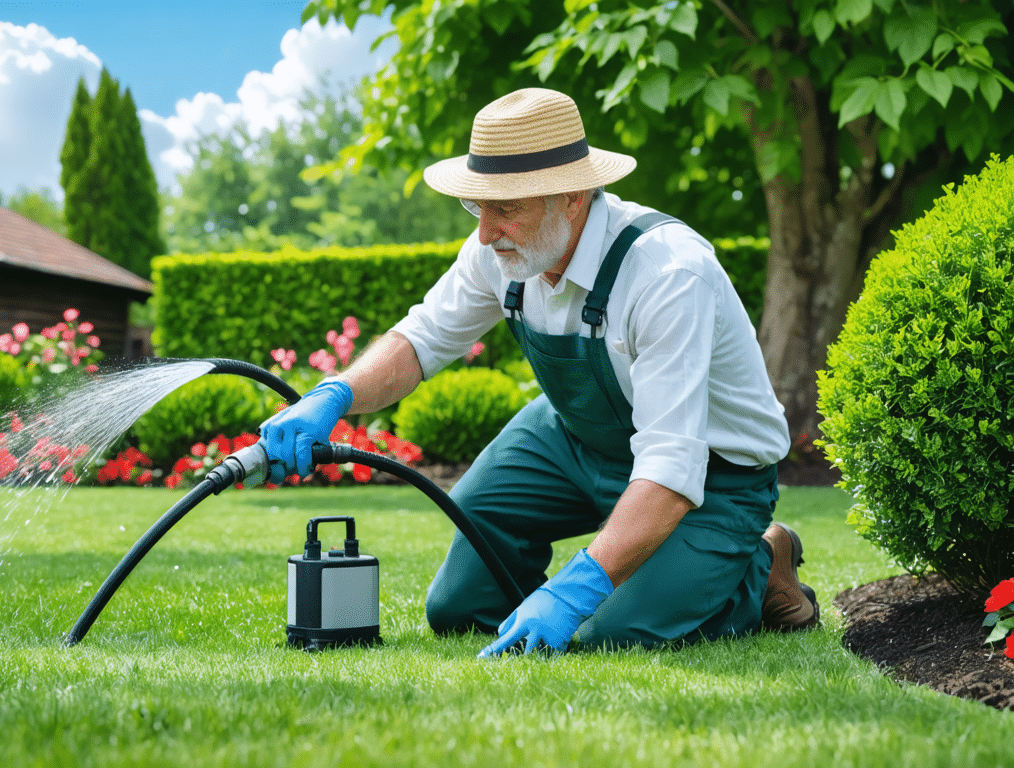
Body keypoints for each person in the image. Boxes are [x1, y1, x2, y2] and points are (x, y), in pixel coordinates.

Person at [259, 87, 818, 656]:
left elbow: (672, 468)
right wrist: (332, 394)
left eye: (506, 208)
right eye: (478, 206)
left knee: (608, 634)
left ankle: (759, 562)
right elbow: (419, 340)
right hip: (575, 439)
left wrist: (575, 591)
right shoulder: (501, 253)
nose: (484, 231)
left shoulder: (669, 274)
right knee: (459, 609)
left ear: (573, 194)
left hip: (711, 477)